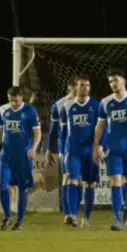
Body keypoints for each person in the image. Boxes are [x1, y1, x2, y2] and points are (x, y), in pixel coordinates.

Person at [93, 69, 127, 231]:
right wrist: (97, 145)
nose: (113, 84)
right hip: (113, 149)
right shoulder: (105, 102)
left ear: (123, 80)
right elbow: (100, 126)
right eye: (110, 81)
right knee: (115, 181)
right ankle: (117, 218)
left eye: (115, 80)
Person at [0, 86, 42, 230]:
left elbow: (37, 133)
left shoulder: (30, 110)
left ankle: (19, 221)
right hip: (6, 155)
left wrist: (33, 149)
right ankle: (7, 216)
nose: (13, 103)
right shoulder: (3, 110)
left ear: (22, 97)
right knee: (2, 186)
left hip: (24, 156)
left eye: (16, 100)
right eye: (11, 100)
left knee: (23, 188)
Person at [60, 76, 102, 228]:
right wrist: (61, 150)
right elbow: (63, 130)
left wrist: (100, 146)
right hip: (72, 150)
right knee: (72, 180)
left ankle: (86, 217)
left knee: (89, 184)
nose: (85, 88)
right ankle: (71, 214)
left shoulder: (97, 106)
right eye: (82, 85)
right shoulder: (67, 107)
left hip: (90, 151)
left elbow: (102, 128)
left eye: (87, 85)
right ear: (75, 87)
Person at [46, 79, 76, 220]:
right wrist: (50, 149)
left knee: (78, 178)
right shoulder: (59, 106)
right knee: (67, 176)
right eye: (76, 87)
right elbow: (53, 130)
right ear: (69, 88)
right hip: (64, 145)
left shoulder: (84, 103)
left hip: (81, 146)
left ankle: (73, 210)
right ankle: (67, 212)